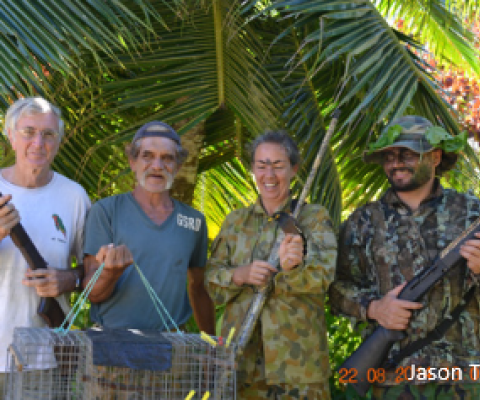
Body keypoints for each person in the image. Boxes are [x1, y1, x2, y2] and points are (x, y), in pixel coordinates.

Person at [329, 116, 480, 399]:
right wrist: (373, 309)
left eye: (407, 154)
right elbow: (336, 289)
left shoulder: (473, 214)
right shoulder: (363, 221)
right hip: (392, 378)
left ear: (435, 157)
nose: (396, 163)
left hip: (463, 378)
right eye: (389, 156)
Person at [205, 131, 337, 399]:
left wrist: (294, 269)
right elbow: (211, 285)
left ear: (294, 169)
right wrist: (239, 275)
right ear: (253, 169)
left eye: (278, 166)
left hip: (298, 369)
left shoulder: (313, 219)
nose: (270, 175)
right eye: (262, 166)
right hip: (241, 368)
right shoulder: (235, 222)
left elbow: (325, 276)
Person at [83, 121, 215, 335]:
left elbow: (198, 288)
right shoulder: (107, 211)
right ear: (132, 162)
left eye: (167, 158)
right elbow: (91, 293)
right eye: (147, 156)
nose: (157, 166)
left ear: (178, 166)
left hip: (171, 346)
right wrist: (109, 273)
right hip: (113, 342)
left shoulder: (193, 221)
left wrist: (211, 344)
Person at [0, 97, 91, 396]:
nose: (38, 142)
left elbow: (93, 272)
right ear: (10, 136)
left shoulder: (75, 196)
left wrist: (69, 279)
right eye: (28, 132)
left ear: (59, 142)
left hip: (41, 359)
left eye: (48, 134)